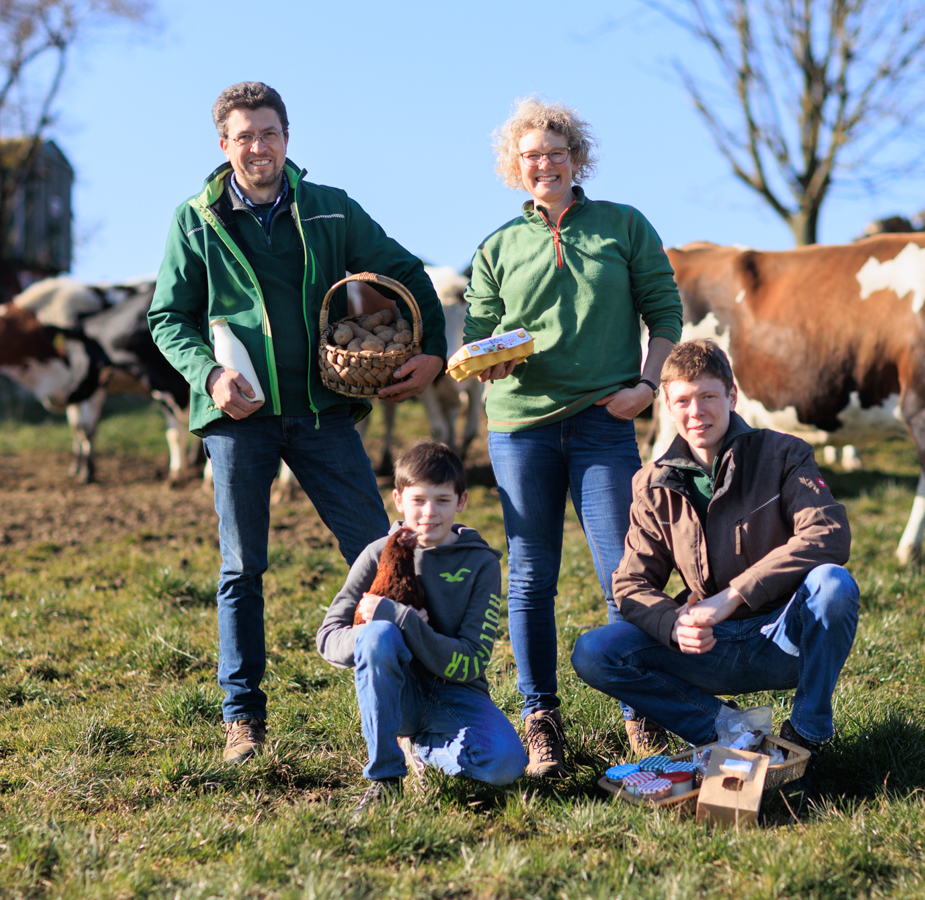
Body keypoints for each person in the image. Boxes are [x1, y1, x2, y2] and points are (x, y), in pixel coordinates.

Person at [149, 82, 446, 763]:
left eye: (270, 133)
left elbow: (402, 268)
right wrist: (211, 374)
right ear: (224, 146)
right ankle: (242, 717)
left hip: (322, 413)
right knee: (241, 567)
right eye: (245, 136)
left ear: (288, 137)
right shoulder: (193, 222)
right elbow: (168, 318)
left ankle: (416, 704)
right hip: (237, 420)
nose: (259, 146)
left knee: (383, 551)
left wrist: (431, 348)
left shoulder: (329, 210)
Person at [462, 98, 683, 776]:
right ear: (515, 167)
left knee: (625, 575)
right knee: (530, 576)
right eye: (531, 155)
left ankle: (638, 709)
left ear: (575, 159)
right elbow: (481, 333)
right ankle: (541, 718)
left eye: (556, 152)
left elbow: (664, 310)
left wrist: (647, 387)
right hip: (520, 428)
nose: (544, 164)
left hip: (602, 423)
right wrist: (486, 357)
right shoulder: (497, 246)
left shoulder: (623, 225)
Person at [571, 340, 860, 799]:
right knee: (593, 651)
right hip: (707, 649)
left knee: (833, 585)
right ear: (666, 405)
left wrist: (733, 596)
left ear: (732, 396)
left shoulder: (785, 455)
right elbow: (629, 583)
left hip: (781, 636)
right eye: (683, 400)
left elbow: (828, 534)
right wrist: (673, 625)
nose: (696, 412)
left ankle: (805, 736)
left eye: (708, 396)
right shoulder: (652, 483)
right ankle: (729, 730)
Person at [316, 442, 527, 811]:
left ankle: (423, 749)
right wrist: (372, 631)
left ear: (462, 501)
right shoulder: (377, 553)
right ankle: (385, 778)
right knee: (378, 635)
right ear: (398, 499)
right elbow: (328, 638)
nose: (429, 513)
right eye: (418, 500)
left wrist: (406, 621)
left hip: (456, 694)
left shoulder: (481, 564)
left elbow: (473, 660)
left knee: (505, 766)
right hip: (397, 694)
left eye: (442, 500)